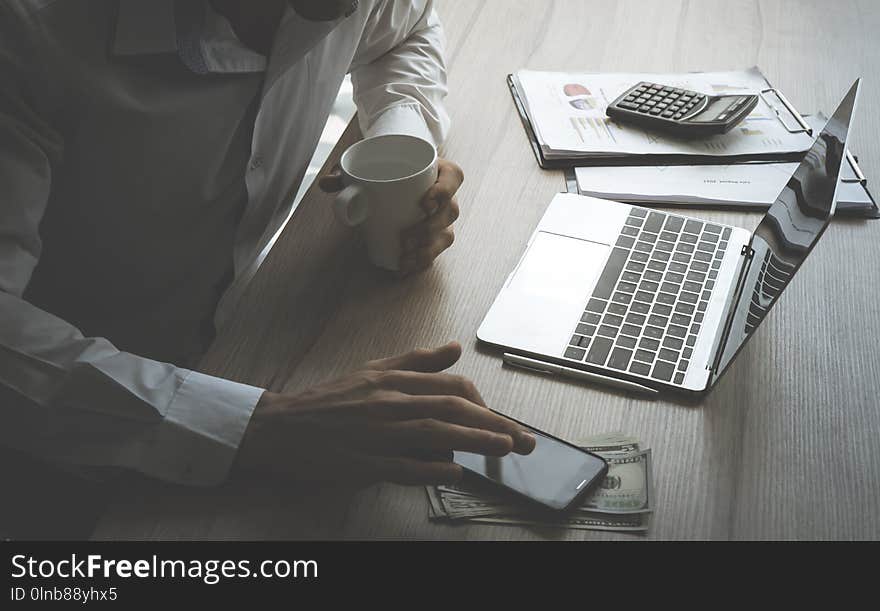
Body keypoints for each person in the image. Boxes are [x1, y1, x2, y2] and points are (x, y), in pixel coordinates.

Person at [0, 0, 536, 533]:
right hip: (57, 448)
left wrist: (399, 154)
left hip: (247, 344)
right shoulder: (28, 33)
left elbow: (406, 31)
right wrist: (257, 425)